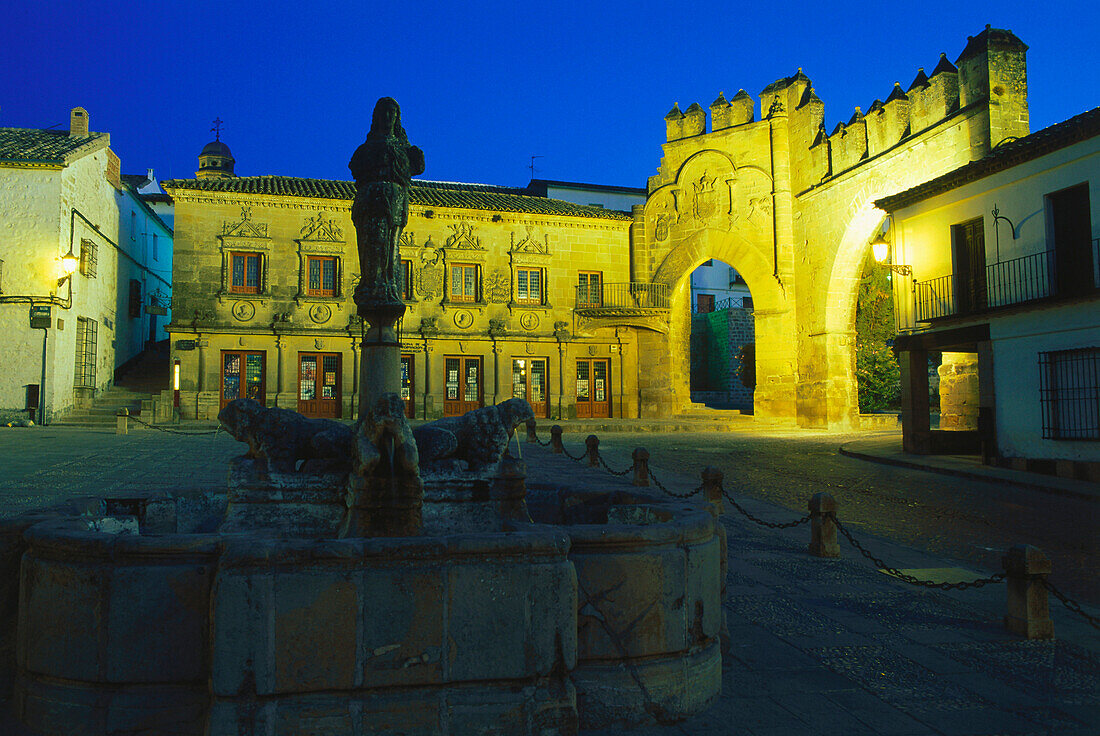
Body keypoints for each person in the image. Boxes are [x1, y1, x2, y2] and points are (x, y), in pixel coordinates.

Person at [348, 98, 425, 309]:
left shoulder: (404, 149)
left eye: (392, 113)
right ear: (377, 117)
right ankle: (373, 287)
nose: (388, 117)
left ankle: (389, 286)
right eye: (384, 112)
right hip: (370, 202)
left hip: (395, 202)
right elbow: (356, 168)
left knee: (391, 247)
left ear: (397, 118)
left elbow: (417, 167)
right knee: (372, 246)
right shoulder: (365, 150)